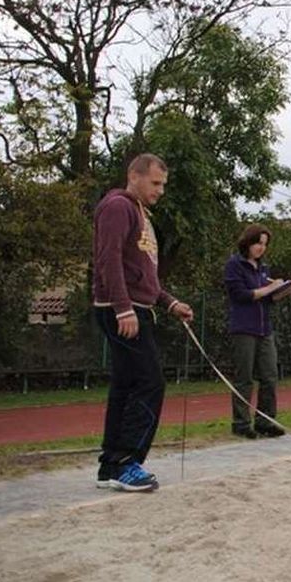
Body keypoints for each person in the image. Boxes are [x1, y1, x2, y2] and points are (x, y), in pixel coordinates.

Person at [93, 153, 193, 492]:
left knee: (125, 384)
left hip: (139, 306)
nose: (161, 190)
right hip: (122, 310)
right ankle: (126, 461)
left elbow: (144, 276)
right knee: (150, 382)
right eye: (155, 183)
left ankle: (110, 465)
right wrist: (123, 309)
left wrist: (169, 302)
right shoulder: (117, 207)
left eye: (163, 184)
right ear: (134, 176)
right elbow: (108, 260)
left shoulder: (141, 214)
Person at [224, 224, 291, 439]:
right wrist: (269, 287)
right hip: (244, 328)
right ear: (248, 242)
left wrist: (286, 288)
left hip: (264, 328)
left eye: (265, 244)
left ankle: (265, 420)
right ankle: (240, 422)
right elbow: (241, 294)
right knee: (244, 377)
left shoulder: (263, 268)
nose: (261, 248)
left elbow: (270, 297)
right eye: (258, 243)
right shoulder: (234, 265)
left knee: (269, 376)